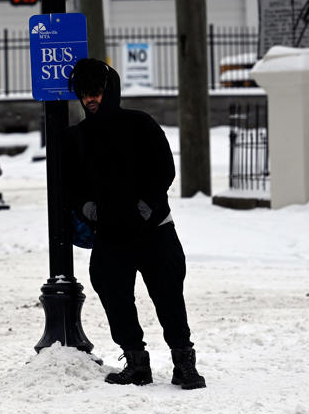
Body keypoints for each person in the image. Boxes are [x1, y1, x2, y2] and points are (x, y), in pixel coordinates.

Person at [65, 58, 206, 390]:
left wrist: (145, 208)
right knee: (114, 296)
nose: (91, 100)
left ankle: (184, 363)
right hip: (110, 235)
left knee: (169, 295)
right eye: (85, 94)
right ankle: (136, 363)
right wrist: (90, 210)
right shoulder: (78, 138)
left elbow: (163, 170)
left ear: (110, 90)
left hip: (155, 231)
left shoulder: (141, 124)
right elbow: (71, 186)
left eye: (96, 91)